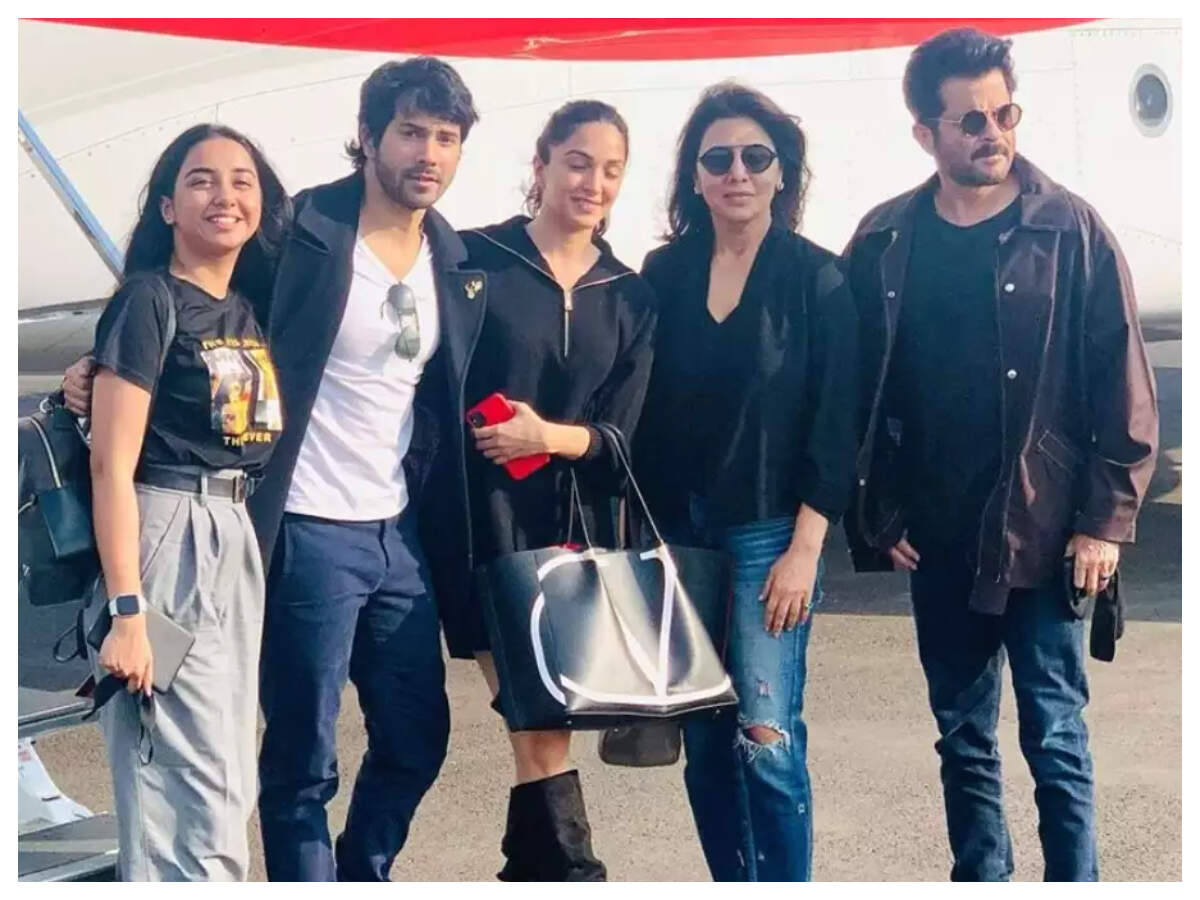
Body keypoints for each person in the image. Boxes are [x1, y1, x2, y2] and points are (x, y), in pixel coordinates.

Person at [65, 57, 486, 881]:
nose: (428, 153)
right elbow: (186, 298)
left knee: (415, 736)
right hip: (298, 527)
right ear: (368, 137)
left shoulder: (454, 254)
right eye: (410, 132)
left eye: (445, 138)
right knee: (292, 756)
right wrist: (96, 373)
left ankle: (360, 873)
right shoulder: (298, 233)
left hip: (393, 529)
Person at [843, 28, 1158, 881]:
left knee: (1055, 736)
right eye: (971, 120)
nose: (994, 133)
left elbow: (1124, 381)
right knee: (962, 737)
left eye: (1005, 113)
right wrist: (876, 512)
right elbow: (855, 389)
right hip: (938, 538)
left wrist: (1105, 522)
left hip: (1046, 532)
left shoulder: (1069, 228)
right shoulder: (886, 239)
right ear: (926, 134)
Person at [422, 99, 657, 881]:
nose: (594, 182)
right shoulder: (472, 262)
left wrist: (549, 437)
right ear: (543, 164)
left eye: (611, 169)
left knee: (539, 726)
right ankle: (578, 874)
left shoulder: (630, 295)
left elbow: (624, 441)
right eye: (578, 162)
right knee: (539, 721)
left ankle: (536, 875)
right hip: (481, 530)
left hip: (573, 544)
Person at [632, 84, 858, 881]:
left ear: (781, 172)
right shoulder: (664, 273)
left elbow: (837, 424)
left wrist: (806, 549)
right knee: (704, 738)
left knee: (766, 734)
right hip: (680, 535)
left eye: (756, 157)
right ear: (694, 177)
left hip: (770, 534)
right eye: (718, 159)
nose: (738, 173)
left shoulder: (818, 279)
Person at [85, 123, 289, 879]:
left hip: (233, 535)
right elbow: (112, 466)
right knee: (178, 787)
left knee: (227, 782)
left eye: (242, 180)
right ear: (168, 207)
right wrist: (128, 612)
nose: (224, 195)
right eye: (201, 180)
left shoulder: (246, 309)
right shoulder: (149, 300)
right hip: (167, 533)